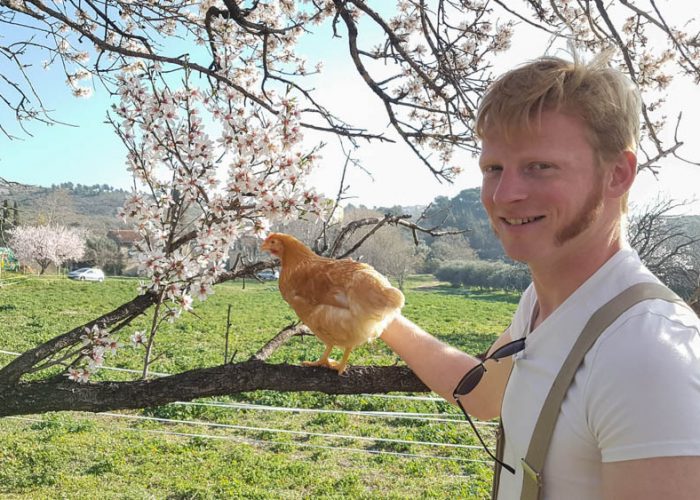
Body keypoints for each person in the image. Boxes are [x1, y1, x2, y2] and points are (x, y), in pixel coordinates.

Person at [381, 54, 700, 499]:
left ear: (618, 174)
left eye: (540, 166)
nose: (505, 194)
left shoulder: (647, 353)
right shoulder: (545, 302)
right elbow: (479, 392)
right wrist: (383, 317)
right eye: (494, 168)